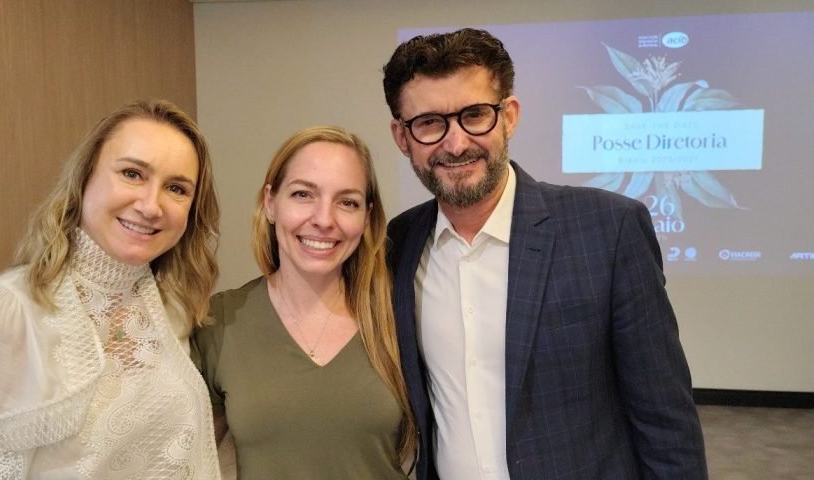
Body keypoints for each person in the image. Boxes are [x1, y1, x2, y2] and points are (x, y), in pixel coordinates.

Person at [382, 28, 708, 479]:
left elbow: (665, 419)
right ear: (402, 137)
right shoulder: (399, 243)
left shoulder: (608, 229)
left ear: (509, 116)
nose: (455, 144)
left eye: (475, 115)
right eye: (429, 123)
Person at [0, 100, 221, 478]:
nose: (151, 206)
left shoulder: (174, 309)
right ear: (85, 177)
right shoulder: (2, 310)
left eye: (176, 188)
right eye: (132, 174)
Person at [190, 126, 417, 479]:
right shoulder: (218, 321)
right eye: (302, 194)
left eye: (347, 202)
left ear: (366, 217)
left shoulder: (397, 316)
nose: (324, 220)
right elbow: (189, 460)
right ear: (270, 203)